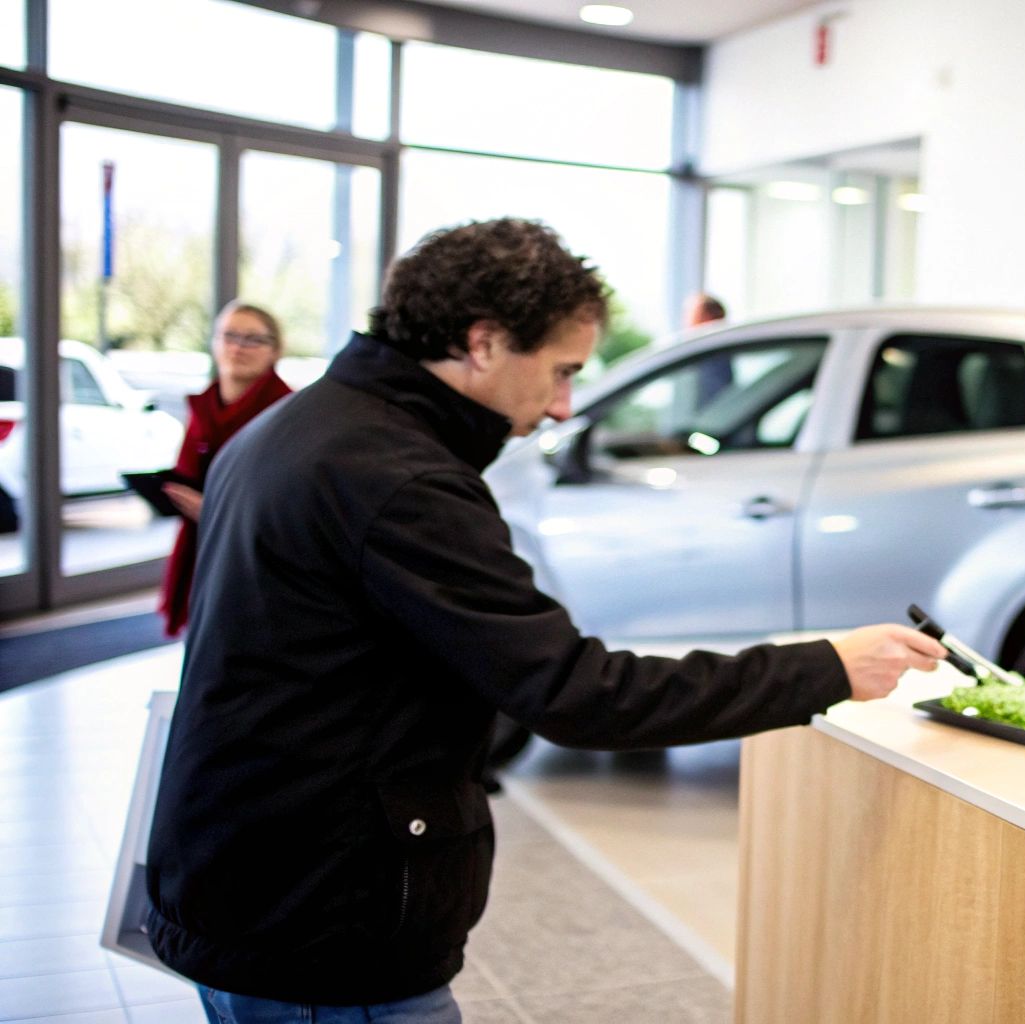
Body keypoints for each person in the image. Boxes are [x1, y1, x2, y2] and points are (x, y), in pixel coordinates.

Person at [143, 218, 946, 1021]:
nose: (565, 407)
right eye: (561, 372)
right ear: (485, 343)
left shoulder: (304, 425)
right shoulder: (398, 478)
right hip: (319, 925)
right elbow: (578, 693)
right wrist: (826, 666)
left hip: (246, 877)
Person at [157, 300, 293, 636]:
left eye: (252, 339)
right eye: (229, 336)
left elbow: (285, 502)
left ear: (275, 351)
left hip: (254, 556)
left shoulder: (287, 411)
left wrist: (216, 511)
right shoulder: (204, 404)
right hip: (200, 541)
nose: (237, 347)